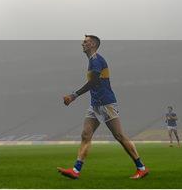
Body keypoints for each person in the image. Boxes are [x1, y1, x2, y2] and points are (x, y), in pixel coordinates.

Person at [58, 35, 149, 180]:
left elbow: (93, 82)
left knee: (119, 136)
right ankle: (76, 170)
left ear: (93, 44)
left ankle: (141, 168)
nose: (82, 43)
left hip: (106, 103)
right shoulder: (92, 61)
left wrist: (73, 95)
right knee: (85, 134)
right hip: (95, 105)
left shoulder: (97, 60)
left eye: (86, 42)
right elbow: (93, 83)